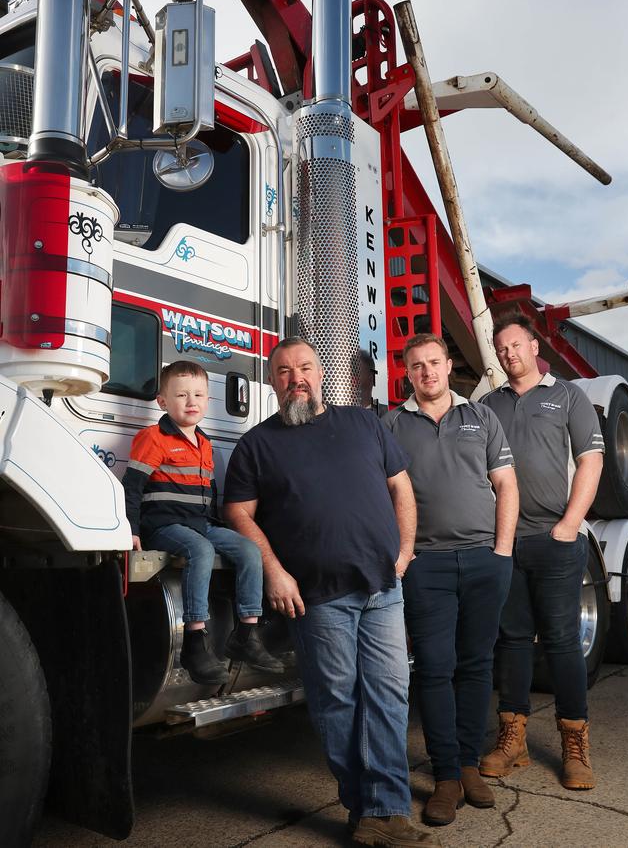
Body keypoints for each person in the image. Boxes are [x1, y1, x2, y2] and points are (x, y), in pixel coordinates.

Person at [223, 337, 440, 848]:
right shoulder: (257, 444)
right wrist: (274, 569)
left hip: (382, 588)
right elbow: (238, 513)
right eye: (282, 371)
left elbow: (401, 487)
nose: (295, 377)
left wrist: (405, 552)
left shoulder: (363, 423)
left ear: (321, 374)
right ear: (271, 381)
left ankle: (385, 812)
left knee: (389, 695)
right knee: (337, 701)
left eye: (303, 367)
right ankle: (366, 809)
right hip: (317, 598)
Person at [383, 333, 518, 827]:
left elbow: (506, 485)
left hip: (485, 558)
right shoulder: (392, 423)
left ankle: (468, 765)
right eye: (416, 366)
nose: (427, 372)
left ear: (446, 366)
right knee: (436, 668)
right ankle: (444, 777)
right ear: (408, 372)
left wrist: (502, 552)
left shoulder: (481, 416)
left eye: (434, 363)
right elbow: (385, 494)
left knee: (477, 665)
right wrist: (403, 556)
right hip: (428, 565)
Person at [479, 313, 604, 790]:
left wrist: (570, 525)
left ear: (534, 346)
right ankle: (513, 740)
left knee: (562, 641)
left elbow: (591, 460)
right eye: (501, 348)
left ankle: (575, 744)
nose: (508, 354)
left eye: (516, 345)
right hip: (506, 542)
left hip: (555, 540)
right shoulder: (488, 404)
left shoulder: (568, 395)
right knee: (510, 640)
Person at [123, 360, 284, 685]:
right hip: (165, 525)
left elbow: (208, 493)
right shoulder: (153, 438)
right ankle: (195, 642)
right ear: (163, 402)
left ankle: (246, 634)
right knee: (200, 550)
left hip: (199, 523)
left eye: (198, 395)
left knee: (249, 550)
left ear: (208, 401)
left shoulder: (205, 443)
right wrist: (133, 530)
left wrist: (218, 527)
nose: (191, 401)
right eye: (181, 395)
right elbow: (132, 486)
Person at [359, 349, 388, 416]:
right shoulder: (342, 414)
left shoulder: (386, 414)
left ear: (371, 376)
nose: (352, 376)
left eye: (358, 372)